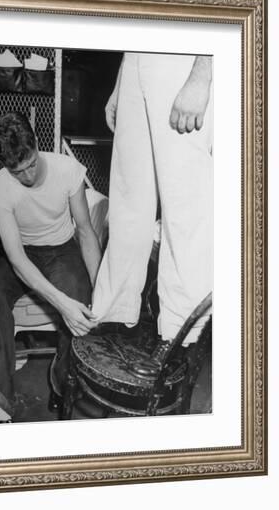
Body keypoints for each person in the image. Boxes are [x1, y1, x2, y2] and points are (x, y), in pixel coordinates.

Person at [0, 111, 102, 423]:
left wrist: (99, 290)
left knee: (79, 293)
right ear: (4, 165)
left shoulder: (66, 169)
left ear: (36, 145)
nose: (28, 176)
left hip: (61, 248)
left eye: (31, 164)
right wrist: (61, 304)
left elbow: (85, 230)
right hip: (23, 252)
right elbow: (16, 258)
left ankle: (63, 382)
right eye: (18, 172)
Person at [92, 52, 213, 377]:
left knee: (183, 206)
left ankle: (178, 333)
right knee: (128, 198)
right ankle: (117, 309)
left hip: (185, 62)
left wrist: (202, 76)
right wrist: (122, 80)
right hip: (138, 60)